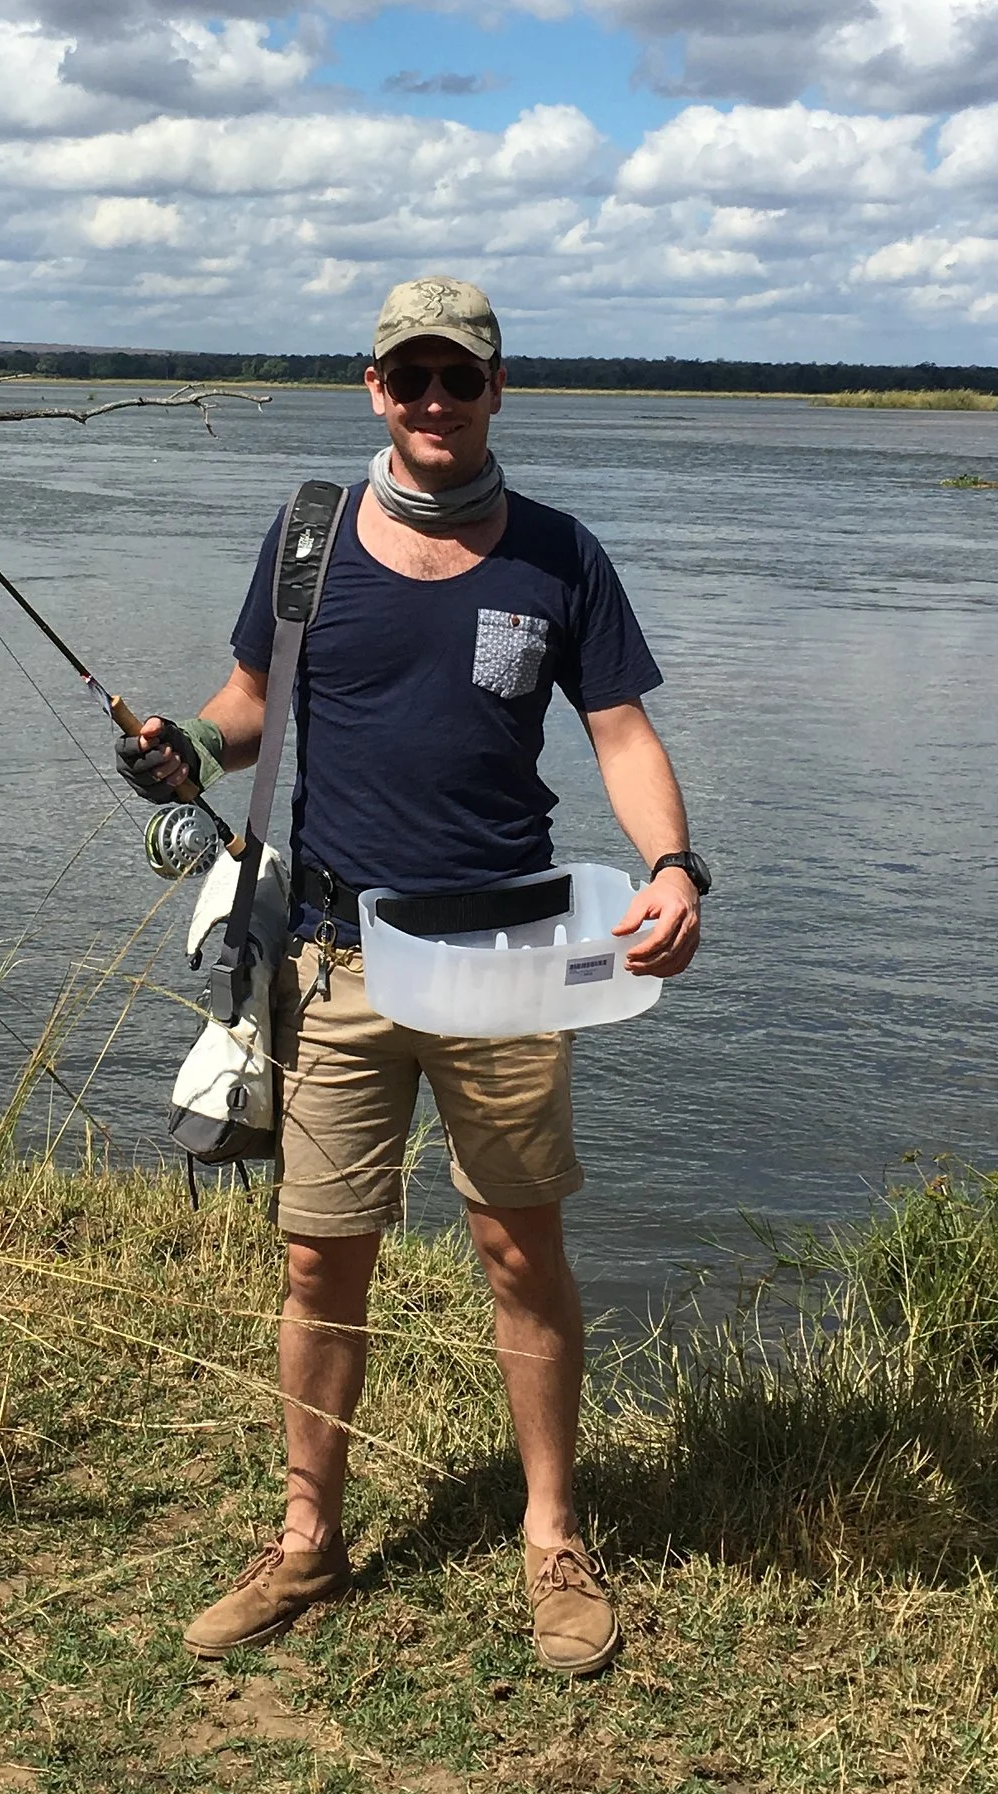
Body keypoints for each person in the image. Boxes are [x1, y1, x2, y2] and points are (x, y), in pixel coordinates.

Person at [120, 277, 709, 1677]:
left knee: (520, 1249)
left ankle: (553, 1536)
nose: (433, 402)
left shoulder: (560, 555)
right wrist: (187, 754)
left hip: (515, 952)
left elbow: (619, 732)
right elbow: (251, 704)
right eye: (409, 379)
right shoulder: (310, 535)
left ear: (499, 390)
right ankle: (307, 1539)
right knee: (322, 1253)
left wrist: (677, 865)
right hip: (335, 956)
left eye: (460, 379)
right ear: (373, 389)